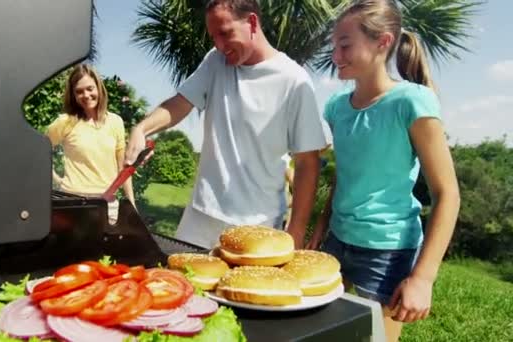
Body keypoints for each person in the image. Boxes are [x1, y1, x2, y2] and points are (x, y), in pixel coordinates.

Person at [306, 1, 460, 341]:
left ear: (383, 42)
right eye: (335, 46)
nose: (336, 55)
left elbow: (447, 193)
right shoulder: (335, 108)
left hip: (387, 252)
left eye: (345, 45)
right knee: (322, 333)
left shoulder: (411, 102)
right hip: (337, 240)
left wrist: (422, 278)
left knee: (376, 338)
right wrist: (322, 224)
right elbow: (345, 174)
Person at [125, 0, 329, 249]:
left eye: (225, 33)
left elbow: (308, 162)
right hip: (200, 215)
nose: (219, 46)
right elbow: (180, 103)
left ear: (252, 22)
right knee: (178, 284)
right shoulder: (215, 61)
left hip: (258, 226)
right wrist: (141, 128)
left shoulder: (294, 81)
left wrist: (296, 231)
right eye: (213, 37)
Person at [47, 64, 135, 224]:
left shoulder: (115, 122)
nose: (86, 95)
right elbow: (39, 152)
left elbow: (123, 168)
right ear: (73, 95)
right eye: (79, 91)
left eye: (90, 89)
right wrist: (56, 179)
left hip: (108, 206)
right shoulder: (65, 122)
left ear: (99, 89)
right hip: (73, 205)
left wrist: (132, 206)